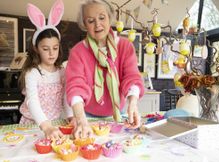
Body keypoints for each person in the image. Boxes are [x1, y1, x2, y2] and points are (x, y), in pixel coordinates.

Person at [65, 0, 145, 139]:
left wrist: (133, 104)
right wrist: (81, 120)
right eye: (91, 21)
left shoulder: (125, 46)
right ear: (84, 24)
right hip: (87, 117)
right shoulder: (78, 52)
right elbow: (75, 86)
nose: (97, 25)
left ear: (109, 18)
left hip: (119, 115)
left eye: (102, 18)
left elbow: (132, 77)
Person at [19, 0, 74, 139]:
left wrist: (70, 116)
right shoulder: (33, 73)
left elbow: (66, 97)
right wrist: (46, 126)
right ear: (36, 49)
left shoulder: (62, 71)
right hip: (33, 125)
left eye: (55, 48)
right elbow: (32, 101)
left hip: (53, 125)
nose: (51, 53)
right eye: (45, 49)